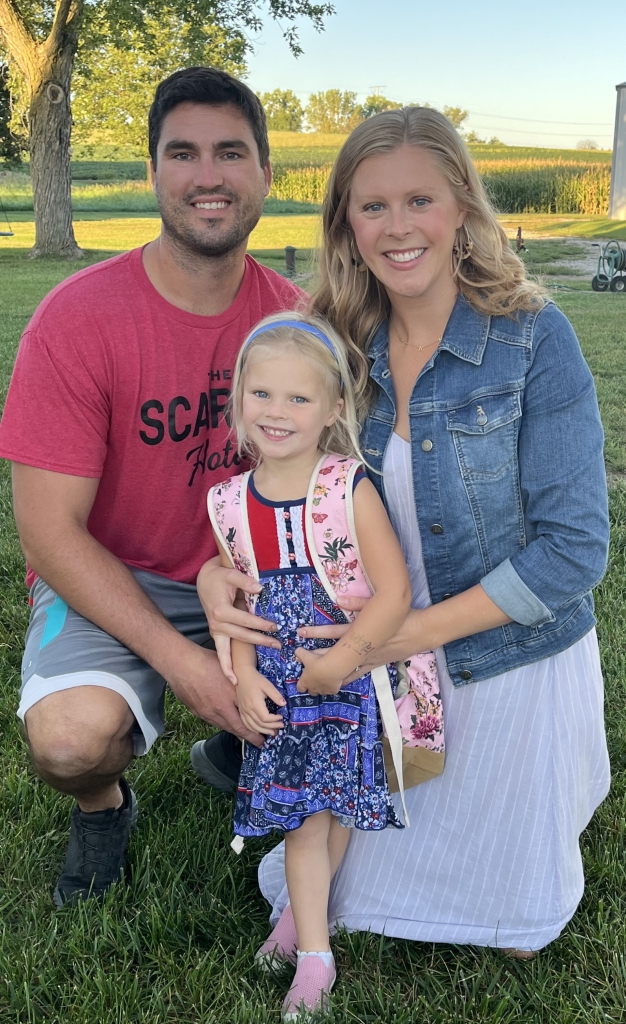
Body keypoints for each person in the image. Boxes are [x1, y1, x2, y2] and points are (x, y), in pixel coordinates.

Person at [198, 106, 611, 956]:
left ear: (461, 206)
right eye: (373, 206)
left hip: (499, 653)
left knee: (517, 929)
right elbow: (277, 490)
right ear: (346, 223)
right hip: (367, 653)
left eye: (420, 200)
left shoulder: (534, 338)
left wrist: (393, 640)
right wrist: (215, 576)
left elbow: (574, 552)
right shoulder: (334, 347)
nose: (398, 228)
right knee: (345, 885)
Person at [0, 66, 304, 907]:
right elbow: (48, 533)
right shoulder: (76, 320)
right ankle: (104, 807)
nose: (209, 176)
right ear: (153, 172)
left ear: (265, 173)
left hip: (251, 579)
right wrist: (185, 664)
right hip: (115, 576)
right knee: (69, 743)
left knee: (369, 686)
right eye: (183, 153)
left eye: (231, 153)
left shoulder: (298, 322)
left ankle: (242, 749)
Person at [207, 311, 411, 1019]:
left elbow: (394, 593)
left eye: (298, 398)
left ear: (332, 409)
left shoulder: (347, 487)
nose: (277, 411)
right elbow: (239, 603)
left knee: (335, 808)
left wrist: (342, 662)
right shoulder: (229, 504)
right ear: (238, 400)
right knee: (304, 819)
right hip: (283, 684)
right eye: (261, 394)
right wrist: (245, 674)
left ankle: (306, 932)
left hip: (345, 675)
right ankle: (314, 944)